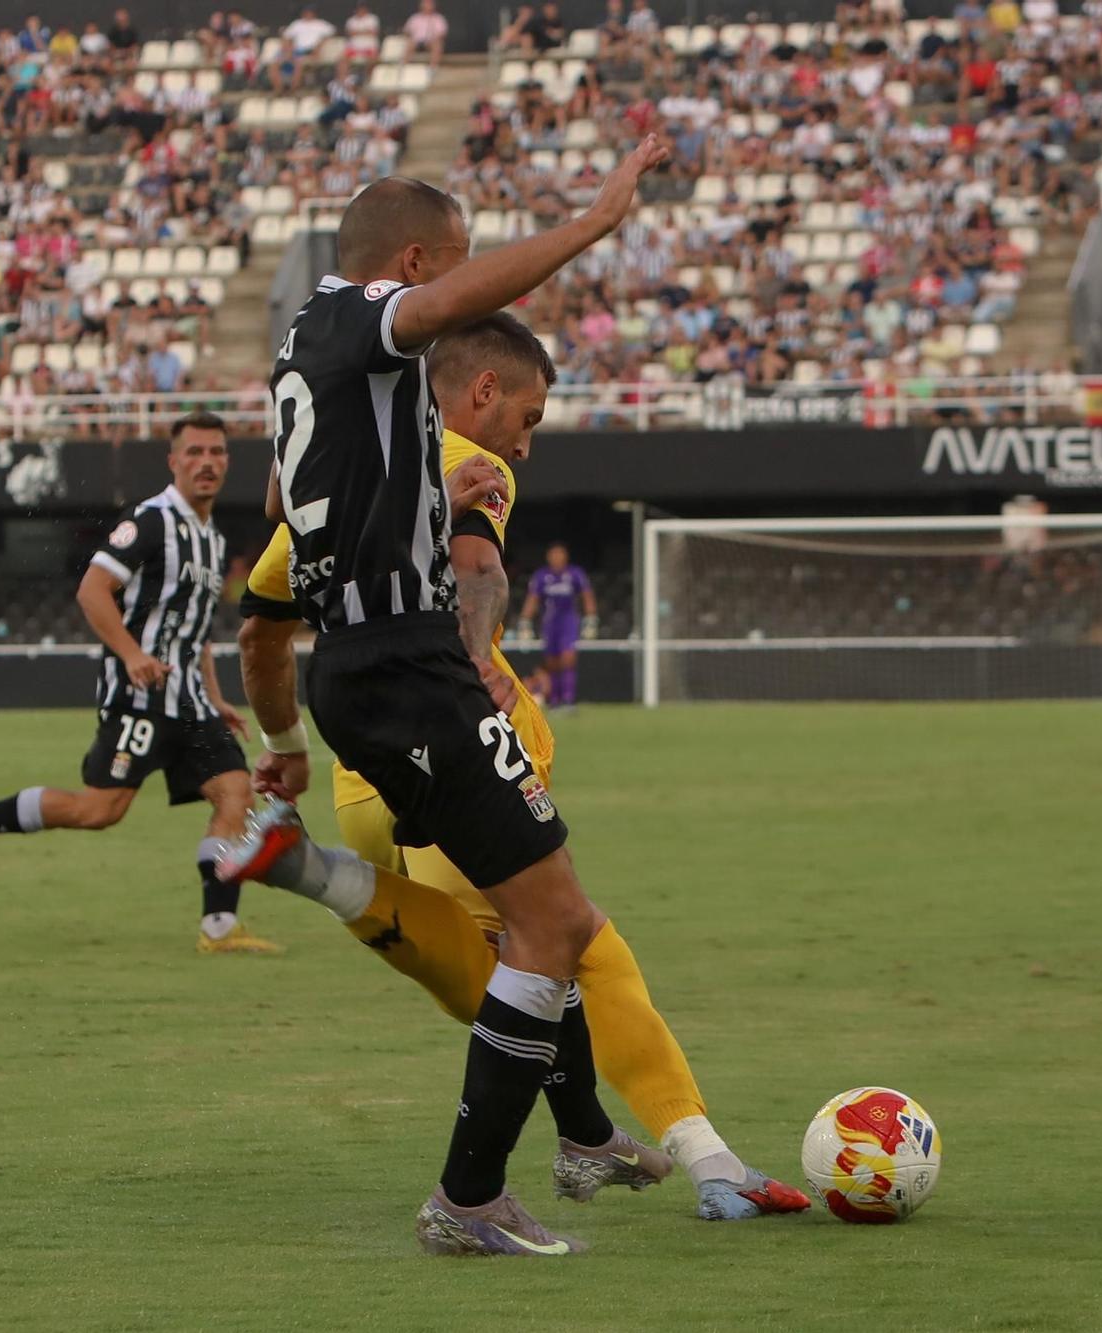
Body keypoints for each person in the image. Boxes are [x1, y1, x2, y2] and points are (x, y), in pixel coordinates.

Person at [236, 313, 807, 1225]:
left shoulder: (334, 478)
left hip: (355, 763)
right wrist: (470, 655)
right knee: (571, 938)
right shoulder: (472, 456)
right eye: (530, 417)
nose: (526, 447)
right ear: (482, 391)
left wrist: (282, 749)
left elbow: (260, 628)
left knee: (495, 966)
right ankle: (702, 1157)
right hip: (451, 729)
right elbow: (477, 565)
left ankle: (328, 876)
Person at [217, 146, 675, 1257]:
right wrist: (593, 221)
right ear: (410, 265)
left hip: (365, 666)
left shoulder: (302, 351)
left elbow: (291, 489)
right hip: (405, 665)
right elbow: (461, 301)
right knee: (552, 921)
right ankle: (468, 1198)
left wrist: (428, 482)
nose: (441, 300)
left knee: (532, 917)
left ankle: (574, 1137)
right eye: (441, 273)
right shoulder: (357, 316)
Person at [0, 413, 281, 956]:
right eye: (196, 452)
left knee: (235, 792)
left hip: (191, 703)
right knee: (99, 811)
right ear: (173, 461)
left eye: (218, 452)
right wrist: (132, 655)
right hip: (138, 698)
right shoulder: (151, 521)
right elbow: (92, 589)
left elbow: (194, 630)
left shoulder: (211, 539)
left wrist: (217, 695)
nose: (208, 462)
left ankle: (219, 927)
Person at [517, 542, 597, 709]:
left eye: (560, 554)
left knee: (568, 658)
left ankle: (568, 699)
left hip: (568, 621)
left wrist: (591, 618)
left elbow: (587, 595)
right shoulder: (541, 576)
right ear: (549, 557)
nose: (557, 558)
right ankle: (554, 700)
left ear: (565, 556)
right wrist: (525, 620)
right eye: (554, 554)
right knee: (552, 662)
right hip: (549, 622)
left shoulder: (575, 574)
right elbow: (533, 598)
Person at [402, 0, 447, 67]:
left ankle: (432, 68)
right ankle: (403, 67)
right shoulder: (415, 18)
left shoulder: (438, 18)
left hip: (430, 42)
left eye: (430, 4)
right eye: (426, 4)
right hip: (416, 41)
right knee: (410, 43)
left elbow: (442, 33)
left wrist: (435, 39)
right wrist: (409, 35)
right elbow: (407, 30)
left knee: (437, 45)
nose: (428, 6)